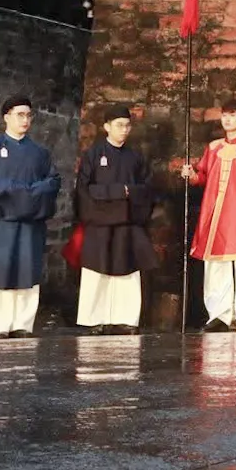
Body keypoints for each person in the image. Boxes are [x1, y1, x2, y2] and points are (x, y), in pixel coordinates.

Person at [0, 95, 61, 339]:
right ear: (6, 117)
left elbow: (51, 183)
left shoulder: (40, 153)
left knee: (26, 271)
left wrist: (22, 195)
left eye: (29, 115)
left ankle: (22, 324)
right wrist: (18, 192)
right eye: (20, 115)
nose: (25, 120)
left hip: (29, 223)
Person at [180, 99, 236, 332]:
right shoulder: (214, 148)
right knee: (216, 264)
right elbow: (203, 176)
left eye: (233, 115)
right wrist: (191, 175)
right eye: (224, 115)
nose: (227, 119)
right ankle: (219, 314)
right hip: (215, 213)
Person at [74, 104, 157, 333]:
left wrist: (124, 196)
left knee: (127, 271)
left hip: (127, 223)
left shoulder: (135, 157)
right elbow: (84, 190)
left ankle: (126, 319)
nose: (124, 130)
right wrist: (119, 193)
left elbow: (147, 189)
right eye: (119, 125)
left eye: (127, 125)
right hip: (99, 223)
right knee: (96, 272)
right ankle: (94, 320)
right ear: (107, 127)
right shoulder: (93, 155)